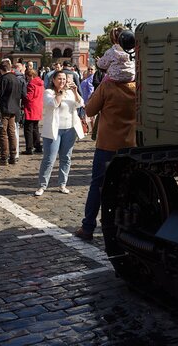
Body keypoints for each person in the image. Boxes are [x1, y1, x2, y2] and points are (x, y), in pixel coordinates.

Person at [74, 63, 137, 241]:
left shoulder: (108, 86)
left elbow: (90, 110)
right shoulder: (137, 86)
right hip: (130, 143)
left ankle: (88, 227)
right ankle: (124, 224)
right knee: (127, 184)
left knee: (98, 185)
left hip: (107, 144)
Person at [34, 72, 84, 196]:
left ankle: (62, 184)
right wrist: (61, 92)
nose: (62, 81)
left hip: (69, 129)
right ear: (53, 80)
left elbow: (80, 104)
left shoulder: (70, 92)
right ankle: (42, 185)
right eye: (59, 79)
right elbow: (53, 104)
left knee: (66, 158)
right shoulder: (48, 92)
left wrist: (75, 92)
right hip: (54, 130)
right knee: (49, 159)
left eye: (64, 79)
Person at [0, 61, 23, 165]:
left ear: (1, 70)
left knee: (3, 133)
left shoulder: (3, 79)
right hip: (14, 108)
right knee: (11, 133)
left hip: (4, 109)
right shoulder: (16, 78)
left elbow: (0, 94)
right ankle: (13, 155)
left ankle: (4, 157)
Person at [22, 69, 43, 155]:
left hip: (31, 107)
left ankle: (29, 148)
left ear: (30, 76)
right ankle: (38, 146)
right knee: (35, 128)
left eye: (27, 77)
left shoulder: (31, 84)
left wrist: (23, 96)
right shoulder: (40, 83)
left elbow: (29, 97)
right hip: (38, 106)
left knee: (28, 129)